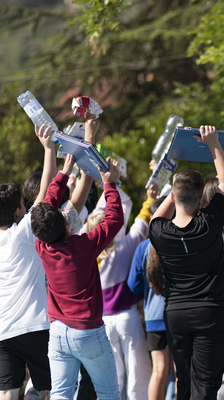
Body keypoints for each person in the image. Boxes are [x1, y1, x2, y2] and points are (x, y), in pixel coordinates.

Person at [149, 125, 224, 400]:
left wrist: (173, 191)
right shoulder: (209, 223)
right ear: (201, 200)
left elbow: (155, 218)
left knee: (184, 383)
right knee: (206, 387)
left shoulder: (160, 232)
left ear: (172, 198)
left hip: (176, 315)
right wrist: (214, 145)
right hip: (211, 314)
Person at [32, 156, 123, 400]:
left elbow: (46, 210)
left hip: (58, 332)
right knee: (108, 393)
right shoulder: (83, 246)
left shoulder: (42, 244)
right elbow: (115, 220)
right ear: (64, 225)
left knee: (61, 393)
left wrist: (63, 174)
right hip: (87, 332)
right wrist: (110, 185)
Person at [0, 124, 56, 400]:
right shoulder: (24, 233)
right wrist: (48, 148)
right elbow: (47, 185)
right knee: (51, 387)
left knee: (5, 392)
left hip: (0, 331)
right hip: (33, 325)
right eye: (23, 205)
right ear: (18, 211)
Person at [86, 182, 158, 400]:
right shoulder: (125, 246)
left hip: (104, 323)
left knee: (112, 377)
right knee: (139, 373)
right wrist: (148, 199)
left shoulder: (87, 258)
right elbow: (141, 223)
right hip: (128, 316)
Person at [127, 197, 174, 400]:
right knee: (181, 370)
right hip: (178, 314)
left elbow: (133, 285)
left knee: (159, 370)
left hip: (154, 316)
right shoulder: (179, 243)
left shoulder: (142, 248)